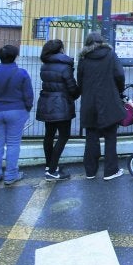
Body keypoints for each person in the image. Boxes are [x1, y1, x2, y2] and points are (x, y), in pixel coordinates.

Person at [0, 45, 34, 186]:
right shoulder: (21, 73)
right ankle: (11, 175)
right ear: (15, 56)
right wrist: (26, 109)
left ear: (0, 57)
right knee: (13, 143)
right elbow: (28, 96)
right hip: (17, 111)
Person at [78, 32, 126, 181]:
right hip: (109, 101)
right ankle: (111, 170)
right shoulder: (111, 55)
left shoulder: (83, 58)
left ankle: (90, 171)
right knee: (111, 137)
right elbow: (119, 75)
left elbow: (80, 80)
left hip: (89, 103)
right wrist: (117, 90)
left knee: (91, 137)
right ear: (102, 41)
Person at [36, 39, 80, 181]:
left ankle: (49, 166)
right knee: (63, 136)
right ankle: (52, 170)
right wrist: (77, 93)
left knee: (49, 135)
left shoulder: (45, 65)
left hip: (46, 103)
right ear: (60, 49)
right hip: (62, 105)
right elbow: (72, 87)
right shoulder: (65, 66)